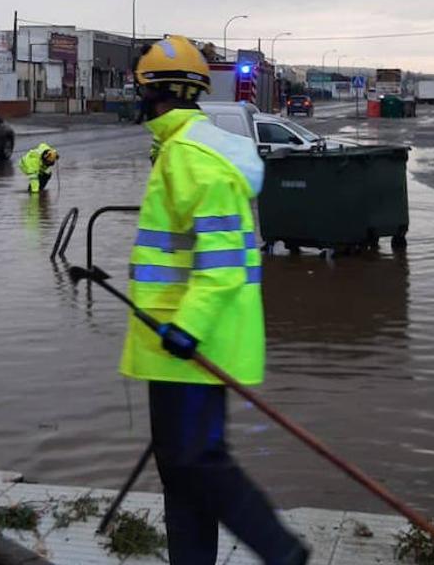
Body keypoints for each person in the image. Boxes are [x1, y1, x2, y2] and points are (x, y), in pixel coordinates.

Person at [120, 36, 308, 565]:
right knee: (181, 474)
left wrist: (188, 328)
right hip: (172, 348)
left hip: (195, 347)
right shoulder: (177, 150)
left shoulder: (191, 158)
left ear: (151, 93)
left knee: (199, 464)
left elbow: (221, 265)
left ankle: (282, 551)